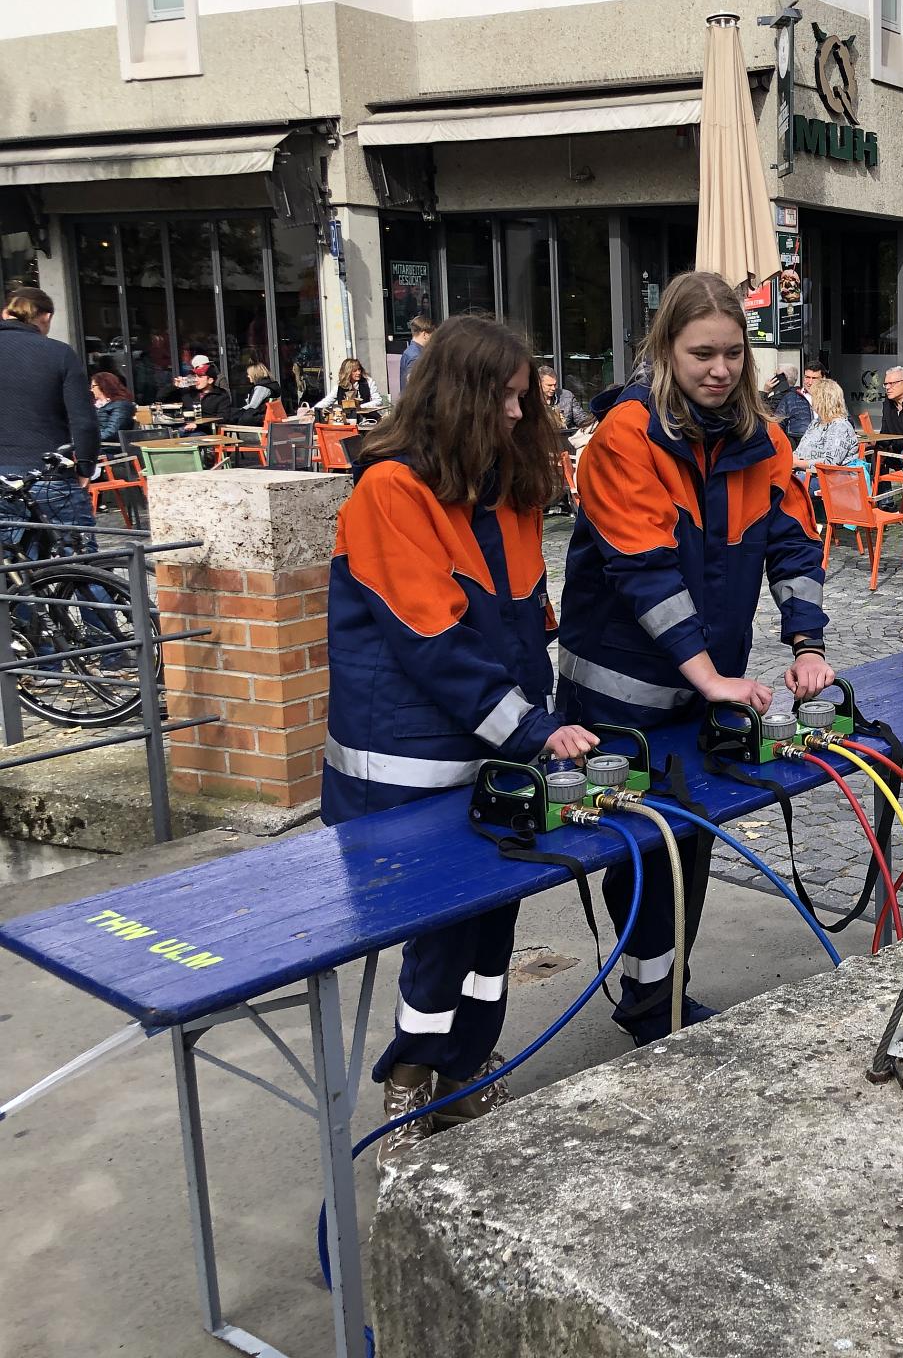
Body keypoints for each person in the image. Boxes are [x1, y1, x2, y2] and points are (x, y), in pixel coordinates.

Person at [322, 314, 592, 1166]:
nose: (522, 414)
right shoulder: (390, 493)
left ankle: (467, 1065)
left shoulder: (499, 493)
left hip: (487, 756)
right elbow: (434, 644)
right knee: (440, 935)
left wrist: (532, 726)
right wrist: (538, 729)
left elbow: (519, 629)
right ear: (466, 397)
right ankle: (412, 1079)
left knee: (491, 929)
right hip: (402, 769)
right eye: (510, 399)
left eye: (529, 398)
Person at [557, 271, 833, 1046]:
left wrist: (807, 644)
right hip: (618, 691)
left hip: (704, 685)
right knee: (643, 843)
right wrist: (708, 673)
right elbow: (645, 569)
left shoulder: (762, 437)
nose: (718, 369)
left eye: (731, 354)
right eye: (700, 353)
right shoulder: (627, 435)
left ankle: (659, 999)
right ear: (665, 350)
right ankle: (650, 1002)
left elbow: (791, 543)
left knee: (690, 840)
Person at [762, 366, 815, 445]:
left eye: (776, 375)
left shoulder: (780, 398)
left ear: (782, 378)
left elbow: (762, 417)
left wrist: (765, 392)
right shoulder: (799, 394)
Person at [540, 364, 594, 434]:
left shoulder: (567, 396)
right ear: (539, 383)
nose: (553, 388)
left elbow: (581, 419)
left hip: (565, 439)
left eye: (555, 385)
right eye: (549, 385)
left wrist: (591, 425)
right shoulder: (529, 400)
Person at [187, 356, 237, 425]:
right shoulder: (191, 393)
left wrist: (198, 424)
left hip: (206, 428)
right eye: (195, 376)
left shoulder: (221, 393)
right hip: (186, 427)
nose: (196, 379)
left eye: (200, 376)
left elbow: (223, 416)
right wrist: (177, 386)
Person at [92, 370, 135, 444]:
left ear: (103, 385)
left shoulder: (121, 405)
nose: (91, 390)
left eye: (93, 386)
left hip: (109, 447)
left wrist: (87, 439)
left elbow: (112, 432)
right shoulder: (97, 405)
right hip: (97, 445)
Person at [397, 314, 434, 398]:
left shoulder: (409, 352)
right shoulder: (416, 356)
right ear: (425, 334)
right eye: (432, 334)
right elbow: (412, 381)